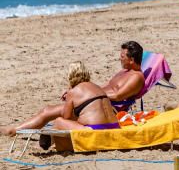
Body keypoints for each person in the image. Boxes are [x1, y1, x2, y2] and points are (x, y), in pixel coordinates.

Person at [1, 42, 144, 137]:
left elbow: (118, 95)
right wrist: (82, 90)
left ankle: (14, 130)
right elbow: (102, 89)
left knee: (49, 112)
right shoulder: (124, 73)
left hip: (106, 110)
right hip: (93, 103)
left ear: (131, 60)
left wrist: (84, 95)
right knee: (48, 109)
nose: (120, 59)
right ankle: (21, 128)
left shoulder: (136, 77)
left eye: (122, 57)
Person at [1, 62, 121, 147]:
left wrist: (68, 99)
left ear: (71, 77)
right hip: (114, 127)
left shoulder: (73, 92)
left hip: (95, 131)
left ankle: (45, 138)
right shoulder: (97, 87)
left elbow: (66, 118)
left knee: (58, 121)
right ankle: (48, 138)